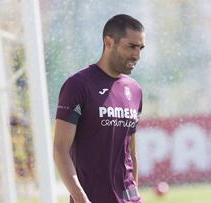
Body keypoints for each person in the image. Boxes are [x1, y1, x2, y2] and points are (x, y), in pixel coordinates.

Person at [53, 14, 145, 203]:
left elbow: (131, 153)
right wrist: (81, 199)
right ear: (109, 42)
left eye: (141, 48)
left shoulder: (134, 90)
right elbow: (60, 149)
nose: (137, 55)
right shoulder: (77, 86)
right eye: (131, 46)